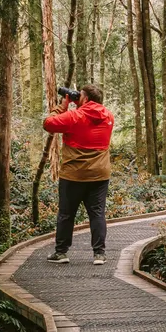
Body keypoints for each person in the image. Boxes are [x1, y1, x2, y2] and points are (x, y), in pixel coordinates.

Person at [42, 85, 114, 265]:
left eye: (79, 95)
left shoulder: (74, 116)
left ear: (86, 98)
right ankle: (99, 254)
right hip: (99, 174)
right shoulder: (108, 116)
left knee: (67, 214)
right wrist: (78, 103)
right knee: (97, 213)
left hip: (73, 175)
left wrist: (63, 106)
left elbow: (48, 123)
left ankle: (61, 252)